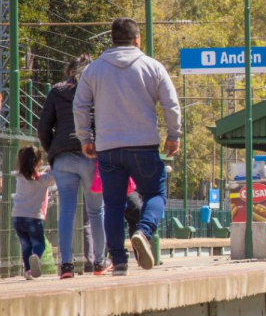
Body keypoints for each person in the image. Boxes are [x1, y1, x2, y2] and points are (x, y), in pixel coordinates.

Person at [74, 17, 182, 276]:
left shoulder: (94, 70)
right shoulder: (152, 66)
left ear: (112, 39)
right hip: (143, 144)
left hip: (108, 148)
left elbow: (79, 105)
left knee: (112, 204)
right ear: (137, 39)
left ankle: (119, 263)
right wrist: (173, 134)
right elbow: (170, 103)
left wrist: (85, 138)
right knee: (156, 194)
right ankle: (143, 232)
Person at [38, 53, 108, 275]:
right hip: (91, 156)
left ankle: (66, 265)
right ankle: (99, 261)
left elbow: (43, 128)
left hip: (63, 158)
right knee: (96, 210)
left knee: (66, 211)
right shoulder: (97, 90)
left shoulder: (56, 91)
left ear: (70, 69)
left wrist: (54, 150)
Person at [13, 146, 57, 280]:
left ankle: (27, 271)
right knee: (39, 244)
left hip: (17, 217)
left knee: (26, 245)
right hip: (33, 217)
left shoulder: (19, 177)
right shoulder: (42, 180)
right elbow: (54, 175)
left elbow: (29, 173)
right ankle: (36, 256)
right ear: (39, 162)